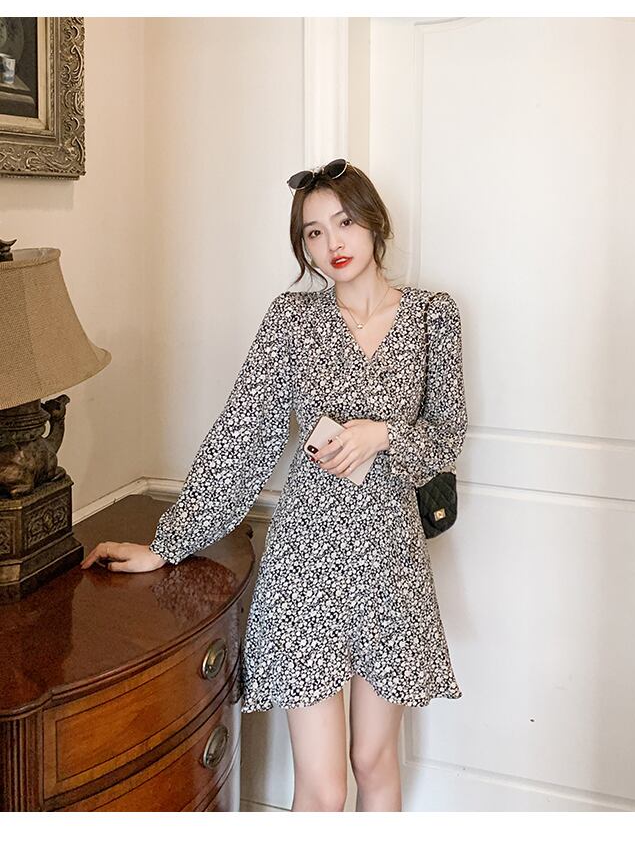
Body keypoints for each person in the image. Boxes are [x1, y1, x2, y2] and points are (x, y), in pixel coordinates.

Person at [80, 158, 468, 812]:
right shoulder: (292, 320)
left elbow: (448, 433)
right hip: (305, 563)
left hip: (391, 562)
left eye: (344, 222)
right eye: (313, 232)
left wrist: (382, 435)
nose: (332, 243)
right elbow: (243, 435)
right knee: (321, 786)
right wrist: (168, 544)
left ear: (375, 222)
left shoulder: (433, 316)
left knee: (374, 762)